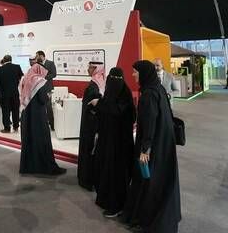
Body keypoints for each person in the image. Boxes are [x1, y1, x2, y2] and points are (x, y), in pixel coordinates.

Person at [123, 60, 181, 232]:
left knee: (150, 183)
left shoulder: (148, 94)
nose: (133, 75)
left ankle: (148, 221)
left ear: (143, 73)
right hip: (163, 143)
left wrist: (145, 149)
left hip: (153, 146)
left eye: (135, 72)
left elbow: (150, 122)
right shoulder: (158, 88)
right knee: (160, 180)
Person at [94, 67, 135, 218]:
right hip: (108, 142)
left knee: (117, 174)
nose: (113, 82)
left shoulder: (124, 94)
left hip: (120, 144)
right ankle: (106, 200)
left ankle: (117, 205)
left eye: (116, 79)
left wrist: (99, 104)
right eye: (111, 78)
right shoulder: (114, 92)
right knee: (107, 170)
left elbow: (118, 111)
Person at [19, 63, 66, 176]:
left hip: (26, 115)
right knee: (41, 138)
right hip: (38, 116)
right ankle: (44, 166)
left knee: (29, 138)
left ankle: (29, 167)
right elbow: (43, 99)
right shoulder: (39, 81)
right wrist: (48, 96)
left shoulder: (24, 79)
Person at [77, 61, 105, 191]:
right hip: (95, 123)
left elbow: (94, 107)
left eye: (90, 68)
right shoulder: (101, 82)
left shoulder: (94, 85)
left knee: (88, 149)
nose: (88, 69)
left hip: (90, 125)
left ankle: (86, 179)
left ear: (96, 69)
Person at [0, 55, 24, 133]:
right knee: (15, 110)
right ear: (11, 60)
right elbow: (22, 79)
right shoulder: (17, 67)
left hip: (4, 94)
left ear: (4, 60)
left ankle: (7, 128)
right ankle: (16, 127)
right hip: (15, 93)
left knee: (5, 111)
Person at [36, 50, 57, 131]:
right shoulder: (37, 64)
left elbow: (54, 74)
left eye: (37, 56)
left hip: (48, 88)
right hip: (39, 88)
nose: (36, 57)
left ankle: (52, 125)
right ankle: (42, 124)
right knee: (40, 106)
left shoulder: (50, 63)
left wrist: (44, 77)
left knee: (48, 106)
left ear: (41, 56)